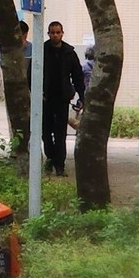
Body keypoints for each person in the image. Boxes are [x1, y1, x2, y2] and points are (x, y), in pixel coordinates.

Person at [40, 22, 85, 178]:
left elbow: (78, 76)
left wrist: (81, 96)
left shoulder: (69, 52)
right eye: (52, 32)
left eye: (58, 32)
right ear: (48, 33)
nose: (55, 35)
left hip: (62, 98)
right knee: (45, 132)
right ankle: (50, 157)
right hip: (45, 98)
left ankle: (60, 165)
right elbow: (32, 73)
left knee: (60, 133)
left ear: (62, 33)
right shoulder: (42, 50)